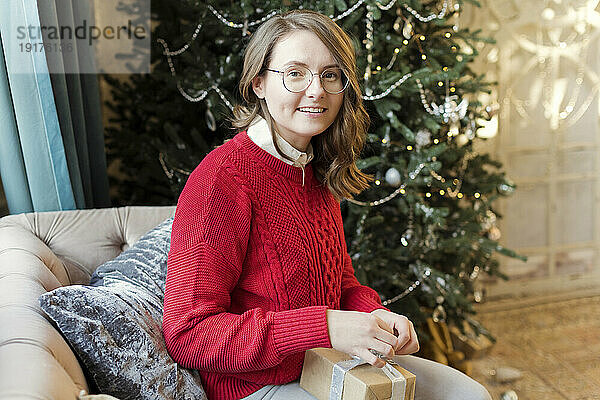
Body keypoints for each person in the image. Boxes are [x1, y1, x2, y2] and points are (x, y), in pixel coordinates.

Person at [162, 9, 492, 400]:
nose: (316, 90)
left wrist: (375, 314)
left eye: (330, 75)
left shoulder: (315, 166)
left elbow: (341, 282)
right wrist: (326, 326)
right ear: (259, 84)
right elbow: (188, 334)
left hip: (332, 362)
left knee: (468, 396)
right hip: (259, 386)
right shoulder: (221, 180)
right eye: (296, 73)